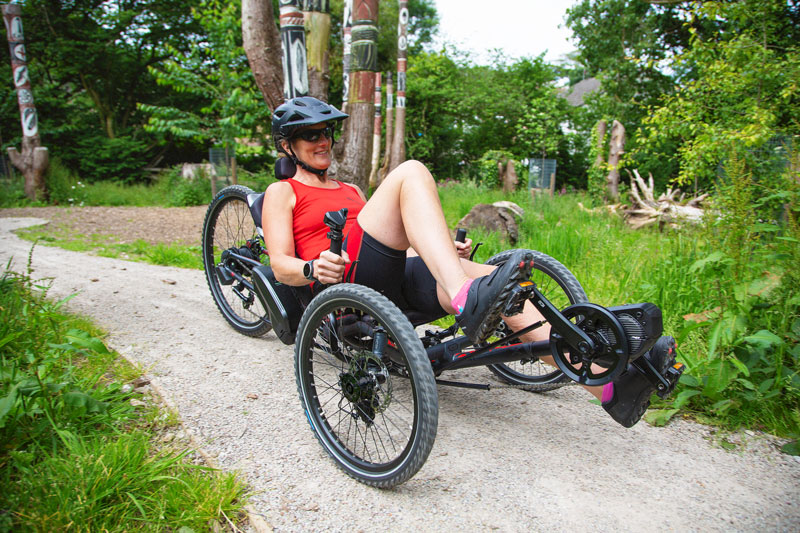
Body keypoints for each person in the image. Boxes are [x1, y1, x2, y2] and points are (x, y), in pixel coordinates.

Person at [262, 96, 678, 428]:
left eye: (326, 132)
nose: (322, 141)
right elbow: (280, 263)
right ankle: (464, 296)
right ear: (286, 145)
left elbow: (394, 244)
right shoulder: (283, 192)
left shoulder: (351, 190)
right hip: (345, 286)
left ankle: (612, 383)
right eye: (309, 135)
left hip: (387, 278)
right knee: (410, 172)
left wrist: (442, 250)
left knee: (507, 288)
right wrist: (312, 268)